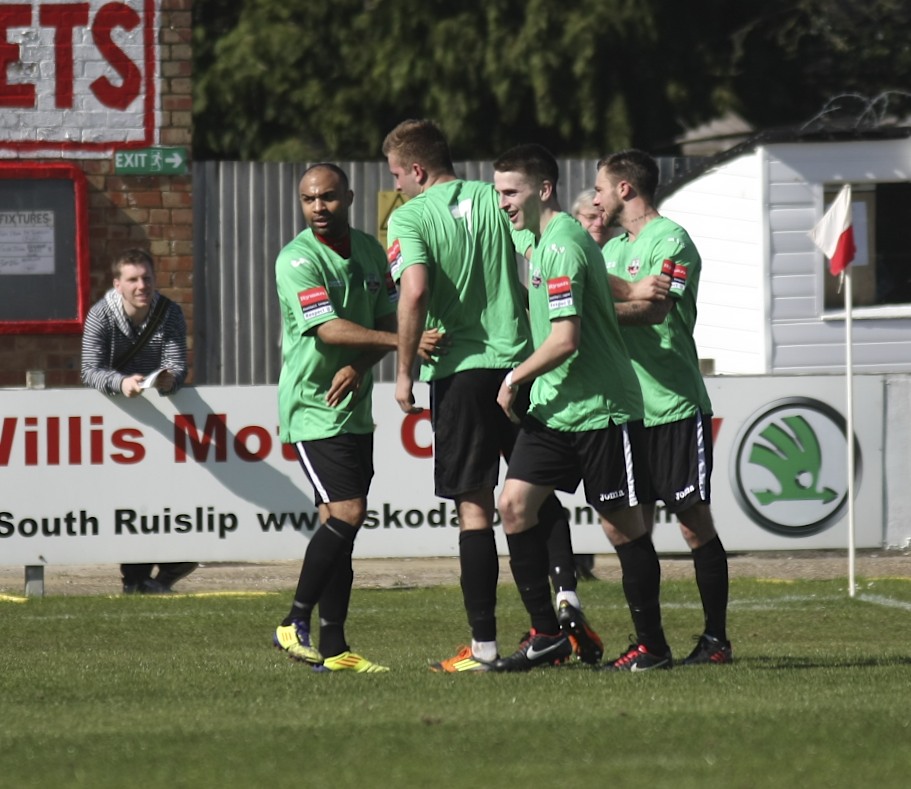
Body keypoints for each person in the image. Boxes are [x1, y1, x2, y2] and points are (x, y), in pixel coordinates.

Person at [383, 119, 603, 672]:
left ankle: (482, 647)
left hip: (459, 371)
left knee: (475, 508)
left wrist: (404, 369)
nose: (397, 187)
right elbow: (547, 254)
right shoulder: (496, 197)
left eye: (396, 175)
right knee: (533, 495)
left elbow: (413, 289)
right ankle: (564, 598)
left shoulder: (407, 217)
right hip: (516, 367)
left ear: (416, 169)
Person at [490, 144, 672, 672]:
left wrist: (514, 377)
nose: (502, 202)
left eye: (510, 192)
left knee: (622, 528)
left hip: (601, 410)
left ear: (542, 190)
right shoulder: (541, 235)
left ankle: (653, 647)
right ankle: (546, 634)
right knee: (514, 506)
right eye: (498, 192)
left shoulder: (563, 246)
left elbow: (565, 339)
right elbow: (595, 277)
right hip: (556, 410)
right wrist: (632, 286)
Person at [271, 162, 442, 674]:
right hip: (312, 406)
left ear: (347, 196)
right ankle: (292, 621)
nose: (317, 208)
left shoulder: (370, 249)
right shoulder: (297, 259)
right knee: (348, 512)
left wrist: (364, 362)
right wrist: (404, 344)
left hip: (352, 407)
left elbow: (385, 321)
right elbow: (330, 330)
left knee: (337, 524)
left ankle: (335, 647)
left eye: (326, 197)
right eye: (308, 200)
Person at [594, 149, 732, 665]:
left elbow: (654, 310)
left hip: (673, 405)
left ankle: (716, 640)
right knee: (627, 525)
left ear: (626, 189)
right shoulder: (609, 251)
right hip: (627, 409)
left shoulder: (671, 240)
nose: (597, 198)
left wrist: (594, 307)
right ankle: (650, 644)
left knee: (693, 520)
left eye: (602, 188)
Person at [81, 248, 197, 594]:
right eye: (132, 279)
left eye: (147, 278)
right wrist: (122, 383)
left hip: (161, 419)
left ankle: (151, 576)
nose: (141, 286)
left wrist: (168, 380)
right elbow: (90, 370)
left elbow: (177, 364)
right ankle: (137, 580)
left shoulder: (170, 312)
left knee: (166, 495)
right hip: (118, 421)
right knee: (128, 499)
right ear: (118, 284)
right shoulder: (100, 316)